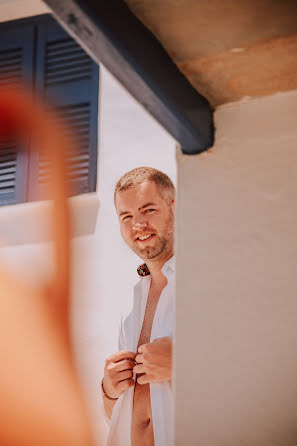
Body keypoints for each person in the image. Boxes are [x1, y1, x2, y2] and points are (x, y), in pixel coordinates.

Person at [101, 167, 175, 446]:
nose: (138, 225)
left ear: (173, 207)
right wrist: (109, 390)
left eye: (148, 210)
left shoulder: (207, 281)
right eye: (127, 216)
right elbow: (115, 417)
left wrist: (185, 363)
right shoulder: (129, 305)